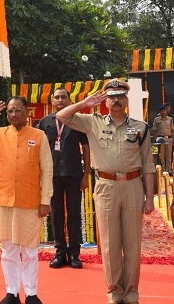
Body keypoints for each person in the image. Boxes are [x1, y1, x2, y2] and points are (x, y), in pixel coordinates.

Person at [56, 79, 155, 304]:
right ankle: (114, 292)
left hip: (132, 186)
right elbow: (62, 116)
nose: (116, 100)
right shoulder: (93, 122)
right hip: (106, 187)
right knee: (110, 244)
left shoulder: (140, 127)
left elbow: (148, 164)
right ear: (105, 101)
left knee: (132, 244)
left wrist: (149, 197)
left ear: (126, 100)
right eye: (111, 96)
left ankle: (131, 293)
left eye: (120, 96)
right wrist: (84, 103)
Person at [0, 97, 53, 304]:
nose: (13, 114)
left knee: (30, 251)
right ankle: (12, 292)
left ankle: (31, 294)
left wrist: (46, 199)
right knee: (8, 250)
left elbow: (47, 170)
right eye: (10, 111)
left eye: (18, 110)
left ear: (27, 113)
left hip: (31, 201)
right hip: (5, 200)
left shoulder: (39, 136)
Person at [38, 88, 90, 270]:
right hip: (52, 175)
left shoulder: (77, 121)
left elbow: (86, 148)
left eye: (63, 97)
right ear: (52, 101)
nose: (60, 100)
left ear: (69, 100)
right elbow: (38, 149)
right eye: (57, 97)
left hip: (74, 174)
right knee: (56, 214)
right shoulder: (44, 123)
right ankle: (60, 253)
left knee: (74, 214)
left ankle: (74, 254)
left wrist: (86, 174)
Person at [152, 104, 174, 174]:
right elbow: (154, 130)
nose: (163, 112)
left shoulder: (170, 119)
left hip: (168, 138)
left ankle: (169, 169)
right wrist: (156, 140)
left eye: (164, 111)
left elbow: (172, 129)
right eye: (162, 111)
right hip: (160, 138)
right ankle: (163, 169)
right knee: (162, 155)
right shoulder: (157, 119)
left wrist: (172, 138)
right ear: (160, 112)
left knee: (169, 155)